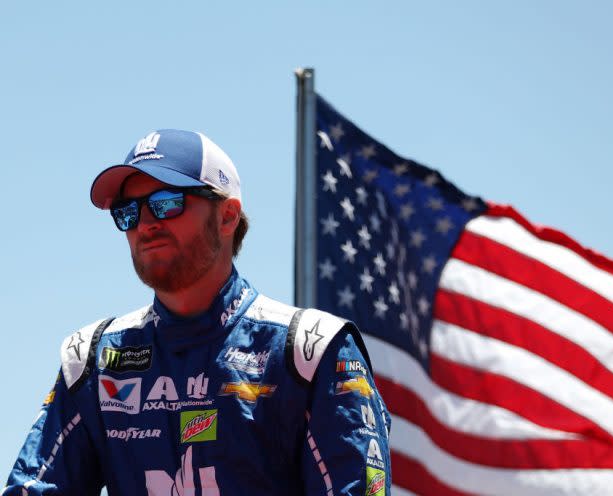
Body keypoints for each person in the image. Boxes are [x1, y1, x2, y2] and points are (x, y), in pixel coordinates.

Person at [3, 129, 391, 496]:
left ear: (227, 216)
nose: (146, 224)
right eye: (127, 212)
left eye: (166, 203)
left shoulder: (311, 351)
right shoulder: (93, 358)